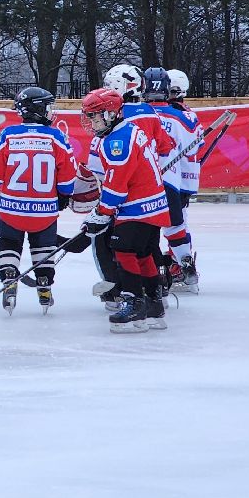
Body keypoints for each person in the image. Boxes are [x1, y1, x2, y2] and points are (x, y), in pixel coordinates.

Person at [68, 87, 171, 332]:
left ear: (111, 113)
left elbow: (117, 185)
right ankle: (153, 305)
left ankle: (134, 302)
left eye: (94, 116)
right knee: (143, 253)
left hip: (136, 208)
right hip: (154, 205)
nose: (91, 122)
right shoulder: (129, 129)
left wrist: (103, 212)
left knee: (123, 249)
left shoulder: (117, 141)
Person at [0, 87, 76, 313]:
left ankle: (9, 276)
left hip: (12, 208)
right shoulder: (57, 137)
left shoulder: (8, 135)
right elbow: (68, 173)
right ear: (39, 109)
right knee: (43, 245)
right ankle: (44, 283)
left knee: (9, 243)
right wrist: (63, 194)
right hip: (44, 210)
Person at [145, 67, 201, 293]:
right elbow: (195, 146)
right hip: (171, 181)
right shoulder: (182, 116)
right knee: (175, 224)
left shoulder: (137, 113)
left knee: (143, 231)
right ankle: (184, 260)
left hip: (142, 181)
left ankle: (147, 274)